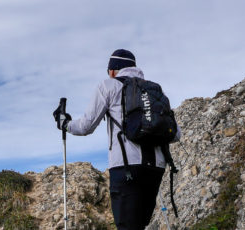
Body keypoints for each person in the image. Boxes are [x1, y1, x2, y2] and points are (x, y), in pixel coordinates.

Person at [53, 49, 181, 230]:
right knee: (139, 225)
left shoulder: (108, 86)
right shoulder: (155, 90)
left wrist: (65, 124)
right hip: (156, 168)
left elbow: (86, 126)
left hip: (125, 167)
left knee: (127, 226)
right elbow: (176, 134)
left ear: (113, 70)